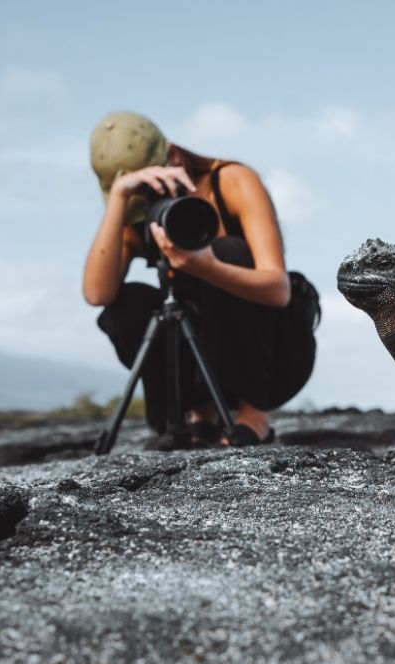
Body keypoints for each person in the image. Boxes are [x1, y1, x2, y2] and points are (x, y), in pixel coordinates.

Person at [83, 111, 318, 449]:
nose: (148, 199)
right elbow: (96, 294)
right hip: (198, 360)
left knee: (228, 250)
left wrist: (206, 266)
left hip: (273, 361)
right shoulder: (136, 218)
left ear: (174, 157)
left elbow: (279, 290)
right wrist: (120, 199)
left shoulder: (232, 181)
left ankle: (254, 419)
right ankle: (200, 417)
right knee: (127, 302)